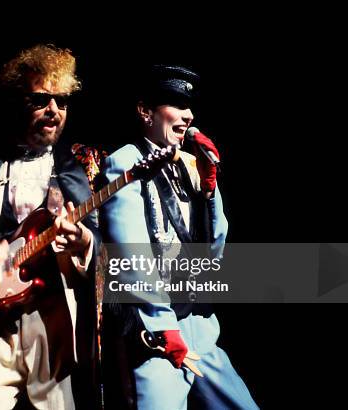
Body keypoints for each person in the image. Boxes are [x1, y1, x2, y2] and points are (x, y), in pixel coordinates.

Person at [0, 44, 101, 410]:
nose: (53, 110)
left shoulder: (87, 163)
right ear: (16, 102)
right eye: (41, 99)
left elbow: (113, 246)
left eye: (61, 100)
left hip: (56, 322)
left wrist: (83, 241)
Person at [99, 65, 258, 409]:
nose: (188, 115)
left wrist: (210, 189)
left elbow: (213, 253)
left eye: (189, 106)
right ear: (145, 111)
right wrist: (162, 327)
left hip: (200, 328)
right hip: (157, 335)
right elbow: (131, 256)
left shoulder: (188, 163)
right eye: (175, 104)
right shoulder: (124, 162)